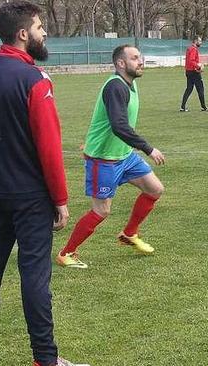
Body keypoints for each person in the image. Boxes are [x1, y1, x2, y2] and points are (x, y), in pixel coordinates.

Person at [0, 1, 87, 366]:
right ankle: (46, 359)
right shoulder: (35, 80)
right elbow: (48, 146)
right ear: (23, 34)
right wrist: (60, 199)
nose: (44, 32)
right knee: (34, 275)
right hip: (29, 196)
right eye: (39, 26)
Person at [56, 45, 166, 269]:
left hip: (124, 156)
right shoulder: (116, 86)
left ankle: (129, 233)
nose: (141, 61)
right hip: (103, 160)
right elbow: (118, 126)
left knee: (155, 189)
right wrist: (148, 148)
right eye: (135, 58)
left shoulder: (129, 84)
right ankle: (66, 253)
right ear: (121, 64)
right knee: (101, 211)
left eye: (140, 57)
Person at [179, 36, 208, 112]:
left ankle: (182, 107)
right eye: (200, 41)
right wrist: (198, 66)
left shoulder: (189, 48)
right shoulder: (193, 49)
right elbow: (191, 61)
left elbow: (189, 61)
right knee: (200, 89)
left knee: (189, 89)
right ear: (195, 41)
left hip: (188, 71)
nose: (201, 42)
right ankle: (204, 107)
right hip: (194, 72)